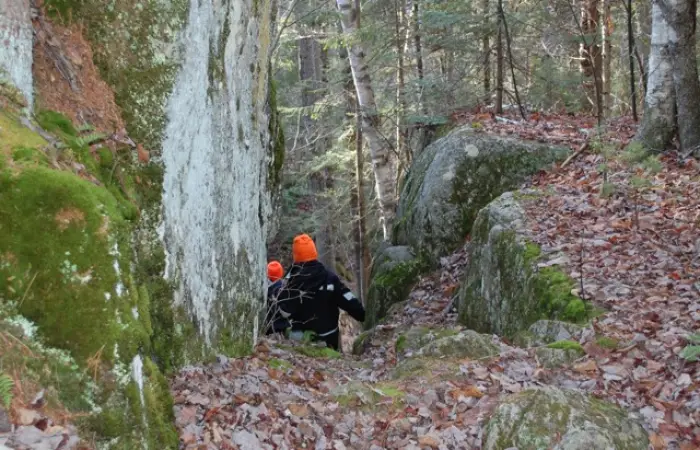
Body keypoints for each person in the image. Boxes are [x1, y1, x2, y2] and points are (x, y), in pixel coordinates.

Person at [276, 234, 365, 350]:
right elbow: (348, 299)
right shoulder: (330, 278)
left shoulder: (293, 281)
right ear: (314, 252)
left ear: (296, 256)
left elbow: (284, 311)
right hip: (328, 336)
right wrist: (363, 316)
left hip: (300, 338)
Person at [264, 260, 290, 335]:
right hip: (279, 325)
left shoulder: (265, 287)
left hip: (270, 324)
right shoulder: (282, 288)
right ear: (280, 274)